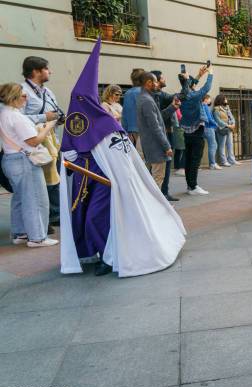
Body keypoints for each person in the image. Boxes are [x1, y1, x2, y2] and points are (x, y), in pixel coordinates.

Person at [59, 39, 186, 278]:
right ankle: (94, 252)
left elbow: (123, 157)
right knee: (85, 216)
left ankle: (109, 257)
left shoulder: (107, 124)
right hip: (84, 181)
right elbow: (70, 150)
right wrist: (68, 155)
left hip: (108, 181)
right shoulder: (76, 124)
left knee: (95, 218)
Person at [0, 82, 58, 247]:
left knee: (19, 198)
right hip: (24, 160)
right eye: (24, 96)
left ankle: (21, 233)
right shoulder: (16, 116)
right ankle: (38, 237)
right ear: (14, 97)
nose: (26, 99)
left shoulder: (3, 112)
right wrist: (47, 127)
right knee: (36, 198)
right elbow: (33, 141)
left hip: (10, 159)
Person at [21, 56, 62, 231]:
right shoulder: (21, 91)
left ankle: (55, 215)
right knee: (41, 183)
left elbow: (56, 113)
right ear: (36, 71)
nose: (50, 71)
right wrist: (43, 117)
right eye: (46, 68)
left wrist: (59, 118)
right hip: (34, 144)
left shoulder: (48, 92)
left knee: (54, 180)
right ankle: (43, 220)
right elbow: (17, 118)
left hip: (51, 141)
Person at [136, 72, 178, 190]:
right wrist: (166, 146)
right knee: (157, 179)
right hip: (155, 147)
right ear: (149, 83)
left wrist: (173, 107)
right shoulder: (147, 100)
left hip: (151, 145)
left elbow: (158, 117)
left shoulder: (145, 98)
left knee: (153, 179)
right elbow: (155, 127)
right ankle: (155, 207)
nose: (157, 84)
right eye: (155, 81)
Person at [179, 65, 214, 195]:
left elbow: (190, 85)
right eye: (189, 78)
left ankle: (190, 186)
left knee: (189, 159)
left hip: (187, 131)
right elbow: (206, 88)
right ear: (188, 83)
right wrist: (210, 73)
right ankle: (193, 187)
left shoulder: (182, 95)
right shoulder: (193, 96)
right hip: (197, 131)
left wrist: (199, 75)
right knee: (195, 160)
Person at [151, 70, 181, 201]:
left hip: (168, 132)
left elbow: (181, 96)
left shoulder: (162, 95)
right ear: (156, 81)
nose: (164, 79)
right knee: (159, 167)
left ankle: (164, 192)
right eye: (162, 78)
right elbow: (159, 117)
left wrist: (185, 81)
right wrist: (173, 108)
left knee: (167, 165)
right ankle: (158, 195)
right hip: (159, 135)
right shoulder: (152, 97)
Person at [121, 68, 145, 149]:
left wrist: (124, 130)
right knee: (141, 158)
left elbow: (124, 114)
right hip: (142, 131)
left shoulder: (128, 93)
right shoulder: (142, 92)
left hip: (129, 131)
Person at [213, 94, 239, 166]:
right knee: (222, 146)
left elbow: (231, 117)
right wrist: (228, 125)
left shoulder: (227, 107)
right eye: (225, 99)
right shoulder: (216, 109)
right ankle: (223, 161)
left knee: (230, 145)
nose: (226, 100)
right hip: (222, 129)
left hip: (229, 129)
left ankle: (231, 160)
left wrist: (233, 123)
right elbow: (218, 120)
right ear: (221, 100)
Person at [200, 94, 219, 170]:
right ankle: (212, 163)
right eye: (209, 99)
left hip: (205, 128)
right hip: (209, 127)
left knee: (213, 145)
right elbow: (209, 118)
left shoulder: (202, 106)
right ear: (206, 99)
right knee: (213, 145)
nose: (210, 100)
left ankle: (212, 163)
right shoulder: (205, 106)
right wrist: (216, 124)